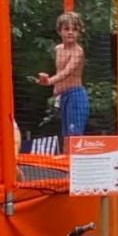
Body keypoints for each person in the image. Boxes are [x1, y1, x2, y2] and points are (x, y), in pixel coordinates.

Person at [35, 11, 87, 152]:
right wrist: (50, 84)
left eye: (74, 29)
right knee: (65, 136)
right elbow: (59, 71)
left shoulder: (78, 51)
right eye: (67, 29)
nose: (70, 33)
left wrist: (49, 81)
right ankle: (67, 168)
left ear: (79, 32)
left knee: (74, 136)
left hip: (76, 96)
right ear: (59, 31)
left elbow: (66, 72)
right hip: (64, 96)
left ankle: (74, 169)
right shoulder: (58, 49)